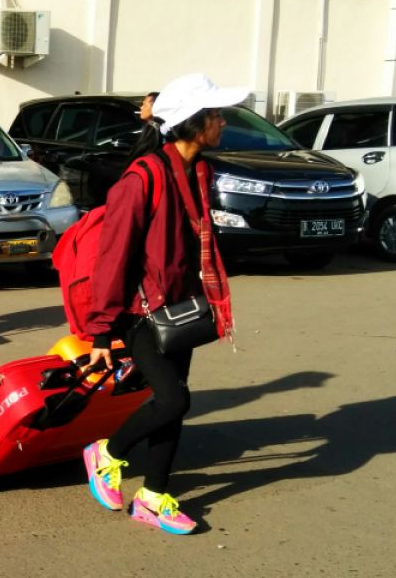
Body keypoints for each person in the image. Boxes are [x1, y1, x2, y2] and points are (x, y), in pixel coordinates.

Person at [81, 72, 243, 536]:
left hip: (181, 308)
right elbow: (112, 258)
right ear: (195, 123)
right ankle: (106, 454)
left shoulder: (199, 171)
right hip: (139, 313)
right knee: (174, 398)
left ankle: (152, 496)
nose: (223, 123)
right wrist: (102, 329)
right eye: (216, 115)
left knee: (171, 403)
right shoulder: (141, 179)